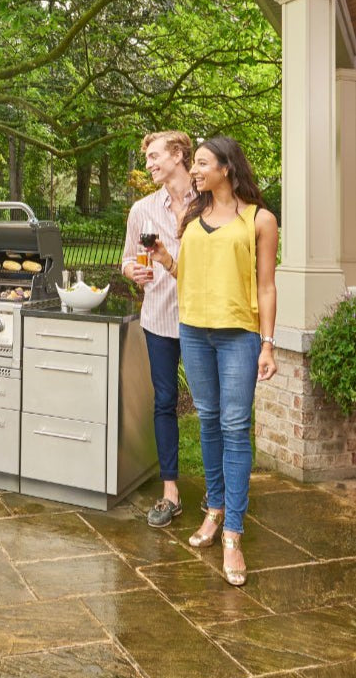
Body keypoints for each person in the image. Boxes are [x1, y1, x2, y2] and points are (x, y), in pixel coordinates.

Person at [151, 136, 278, 586]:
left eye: (203, 163)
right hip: (194, 332)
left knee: (234, 427)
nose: (196, 170)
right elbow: (189, 273)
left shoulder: (259, 220)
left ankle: (233, 534)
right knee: (207, 421)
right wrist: (166, 260)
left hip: (239, 335)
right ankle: (215, 509)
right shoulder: (191, 216)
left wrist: (267, 343)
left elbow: (266, 285)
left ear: (227, 167)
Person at [122, 131, 195, 528]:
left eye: (154, 156)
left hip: (202, 319)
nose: (148, 164)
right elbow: (127, 259)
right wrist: (131, 271)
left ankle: (219, 494)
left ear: (178, 155)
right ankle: (170, 493)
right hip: (159, 319)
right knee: (164, 402)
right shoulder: (142, 210)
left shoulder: (208, 203)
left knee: (212, 407)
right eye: (147, 157)